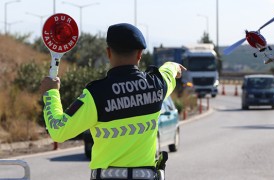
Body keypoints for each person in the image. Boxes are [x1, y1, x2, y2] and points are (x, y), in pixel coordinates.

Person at [40, 23, 186, 180]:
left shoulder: (96, 94)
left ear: (108, 52)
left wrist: (51, 93)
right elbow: (168, 71)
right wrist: (174, 66)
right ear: (140, 54)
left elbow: (58, 131)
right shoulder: (157, 84)